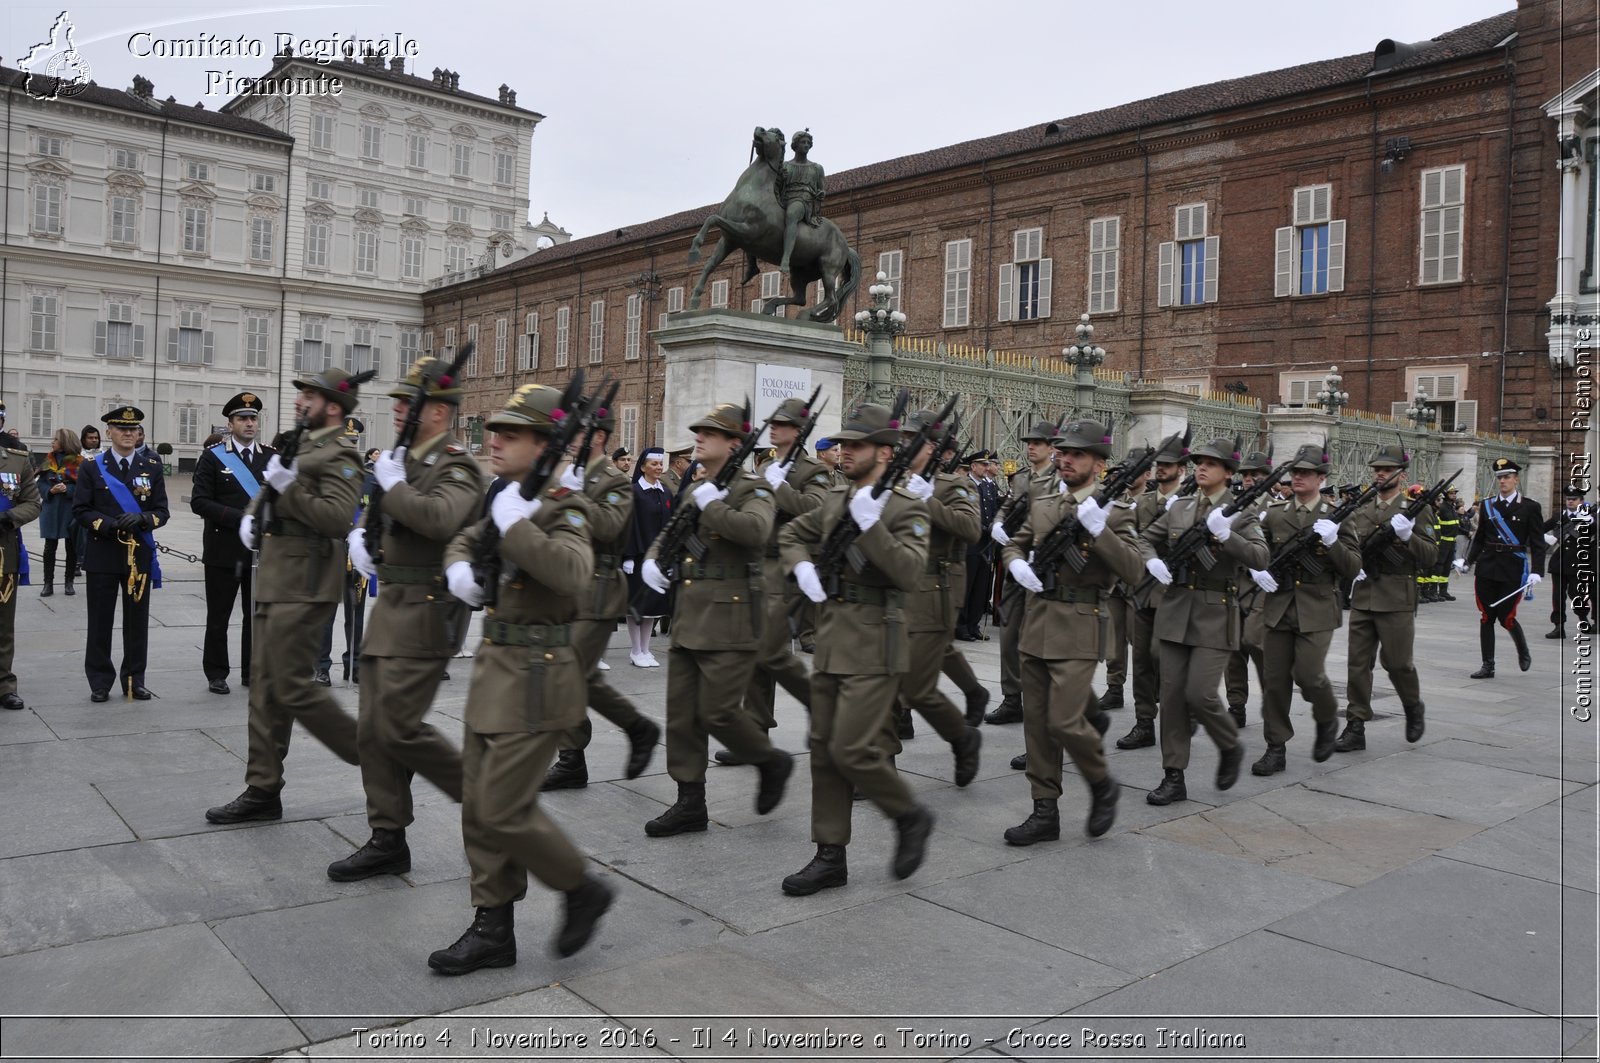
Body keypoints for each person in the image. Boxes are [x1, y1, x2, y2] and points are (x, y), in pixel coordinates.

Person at [428, 383, 615, 974]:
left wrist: (517, 528)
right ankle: (492, 927)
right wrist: (461, 566)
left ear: (544, 443)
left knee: (504, 807)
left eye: (510, 434)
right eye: (495, 432)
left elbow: (571, 573)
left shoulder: (566, 504)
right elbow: (465, 535)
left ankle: (581, 887)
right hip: (496, 669)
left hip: (538, 674)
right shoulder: (503, 493)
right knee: (478, 809)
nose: (495, 441)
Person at [330, 358, 482, 881]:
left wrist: (392, 487)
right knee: (373, 730)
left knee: (398, 728)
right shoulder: (404, 459)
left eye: (407, 402)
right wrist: (367, 541)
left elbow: (441, 519)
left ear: (438, 412)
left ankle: (488, 799)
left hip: (428, 610)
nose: (397, 409)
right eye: (396, 401)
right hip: (392, 606)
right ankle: (387, 836)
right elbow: (396, 519)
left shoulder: (457, 466)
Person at [779, 402, 935, 895]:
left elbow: (909, 574)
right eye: (842, 443)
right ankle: (830, 855)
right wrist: (800, 566)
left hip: (875, 639)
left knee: (851, 749)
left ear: (885, 453)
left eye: (856, 444)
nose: (844, 451)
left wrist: (873, 527)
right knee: (824, 750)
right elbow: (791, 532)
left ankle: (908, 815)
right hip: (832, 637)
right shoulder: (834, 497)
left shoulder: (907, 508)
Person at [204, 371, 366, 825]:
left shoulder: (342, 454)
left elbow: (336, 518)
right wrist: (253, 517)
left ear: (333, 406)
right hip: (276, 577)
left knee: (291, 687)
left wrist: (287, 486)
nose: (301, 401)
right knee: (266, 692)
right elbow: (271, 493)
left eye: (310, 395)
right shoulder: (303, 445)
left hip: (307, 583)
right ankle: (262, 788)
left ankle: (377, 750)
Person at [639, 403, 794, 837]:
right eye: (699, 432)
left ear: (734, 444)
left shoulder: (753, 488)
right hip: (691, 612)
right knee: (683, 715)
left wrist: (715, 506)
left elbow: (756, 533)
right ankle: (690, 802)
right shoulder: (697, 487)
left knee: (720, 712)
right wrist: (655, 560)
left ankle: (770, 761)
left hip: (730, 614)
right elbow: (672, 535)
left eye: (709, 433)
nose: (699, 438)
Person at [999, 420, 1139, 842]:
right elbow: (1014, 543)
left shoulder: (1116, 511)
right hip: (1037, 620)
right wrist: (1016, 564)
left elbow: (1132, 569)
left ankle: (1101, 783)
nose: (1065, 458)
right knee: (1037, 725)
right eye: (1063, 452)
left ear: (1098, 463)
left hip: (1080, 625)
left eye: (1076, 453)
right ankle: (1045, 812)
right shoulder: (1043, 501)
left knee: (1063, 721)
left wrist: (1099, 531)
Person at [1138, 437, 1267, 805]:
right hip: (1176, 609)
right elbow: (1145, 539)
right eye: (1199, 461)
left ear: (1229, 472)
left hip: (1215, 612)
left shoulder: (1242, 512)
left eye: (1211, 463)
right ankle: (1173, 776)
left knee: (1201, 693)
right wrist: (1152, 560)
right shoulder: (1179, 507)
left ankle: (1229, 744)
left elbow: (1260, 556)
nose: (1202, 467)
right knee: (1173, 697)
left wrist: (1227, 536)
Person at [540, 405, 661, 790]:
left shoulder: (613, 479)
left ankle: (584, 752)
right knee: (571, 673)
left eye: (578, 431)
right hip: (567, 584)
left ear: (596, 437)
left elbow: (610, 526)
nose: (570, 436)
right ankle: (583, 754)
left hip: (598, 587)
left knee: (568, 672)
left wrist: (574, 497)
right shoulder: (570, 475)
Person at [1244, 444, 1360, 774]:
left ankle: (1326, 714)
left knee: (1309, 675)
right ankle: (1275, 746)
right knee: (1275, 680)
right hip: (1278, 606)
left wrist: (1334, 542)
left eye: (1305, 472)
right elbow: (1258, 551)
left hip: (1317, 608)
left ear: (1321, 478)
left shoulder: (1337, 515)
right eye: (1295, 472)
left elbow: (1353, 567)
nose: (1297, 477)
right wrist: (1257, 569)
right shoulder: (1277, 514)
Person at [727, 396, 830, 763]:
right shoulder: (767, 464)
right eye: (774, 422)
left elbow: (817, 510)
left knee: (768, 652)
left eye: (783, 424)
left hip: (786, 568)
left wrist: (780, 489)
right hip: (758, 566)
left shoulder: (812, 471)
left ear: (799, 431)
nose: (774, 427)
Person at [886, 409, 983, 783]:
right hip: (891, 587)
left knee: (909, 684)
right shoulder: (890, 480)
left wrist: (929, 501)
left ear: (935, 447)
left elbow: (971, 529)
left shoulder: (951, 485)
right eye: (904, 439)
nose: (904, 445)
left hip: (929, 592)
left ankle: (960, 737)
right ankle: (886, 762)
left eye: (913, 440)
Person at [1333, 445, 1434, 750]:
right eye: (1377, 469)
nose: (1380, 473)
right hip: (1364, 594)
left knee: (1398, 664)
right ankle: (1355, 724)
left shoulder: (1416, 508)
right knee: (1357, 664)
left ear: (1401, 475)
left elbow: (1430, 556)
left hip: (1396, 596)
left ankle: (1413, 706)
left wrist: (1408, 537)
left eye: (1387, 470)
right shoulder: (1361, 508)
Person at [74, 405, 168, 702]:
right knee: (100, 621)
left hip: (137, 554)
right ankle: (100, 681)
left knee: (136, 622)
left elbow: (162, 511)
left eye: (133, 429)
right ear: (108, 432)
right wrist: (108, 524)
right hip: (103, 553)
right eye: (121, 429)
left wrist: (142, 519)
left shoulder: (151, 467)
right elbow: (81, 510)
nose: (128, 434)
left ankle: (134, 679)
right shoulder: (92, 466)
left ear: (139, 433)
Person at [190, 392, 273, 695]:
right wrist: (240, 517)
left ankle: (253, 671)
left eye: (253, 418)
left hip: (262, 551)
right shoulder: (213, 456)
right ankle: (216, 671)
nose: (249, 423)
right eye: (243, 418)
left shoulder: (271, 457)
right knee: (219, 616)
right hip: (223, 549)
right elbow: (199, 502)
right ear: (231, 423)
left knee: (257, 615)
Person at [986, 419, 1061, 725]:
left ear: (1052, 448)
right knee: (1009, 630)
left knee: (1045, 638)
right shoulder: (1020, 478)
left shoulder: (1060, 479)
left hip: (1046, 563)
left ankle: (1045, 700)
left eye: (1038, 443)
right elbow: (1009, 506)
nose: (1031, 447)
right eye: (1029, 442)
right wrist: (998, 522)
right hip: (1017, 561)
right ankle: (1011, 697)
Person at [1117, 435, 1189, 751]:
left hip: (1175, 593)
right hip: (1143, 591)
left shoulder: (1191, 503)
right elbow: (1131, 539)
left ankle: (1178, 715)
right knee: (1143, 658)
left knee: (1164, 656)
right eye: (1158, 464)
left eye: (1168, 465)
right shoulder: (1142, 503)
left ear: (1181, 469)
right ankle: (1144, 722)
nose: (1161, 470)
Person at [1458, 457, 1546, 678]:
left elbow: (1537, 543)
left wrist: (1537, 571)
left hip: (1512, 568)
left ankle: (1522, 648)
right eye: (1500, 477)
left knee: (1506, 616)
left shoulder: (1530, 507)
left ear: (1516, 479)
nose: (1503, 481)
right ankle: (1488, 665)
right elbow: (1479, 539)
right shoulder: (1488, 505)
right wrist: (1467, 561)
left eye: (1507, 477)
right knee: (1486, 616)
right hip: (1487, 567)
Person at [315, 417, 375, 685]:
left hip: (358, 554)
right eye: (345, 441)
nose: (350, 446)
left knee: (357, 616)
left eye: (354, 442)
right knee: (326, 615)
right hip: (331, 551)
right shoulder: (324, 476)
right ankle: (322, 666)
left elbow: (375, 514)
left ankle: (356, 662)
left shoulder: (369, 479)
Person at [1097, 445, 1151, 709]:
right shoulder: (1118, 500)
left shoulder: (1152, 502)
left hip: (1140, 582)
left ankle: (1148, 694)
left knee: (1141, 645)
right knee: (1113, 639)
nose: (1130, 475)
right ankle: (1114, 687)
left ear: (1147, 474)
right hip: (1116, 581)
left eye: (1136, 470)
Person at [1224, 450, 1272, 728]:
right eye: (1246, 474)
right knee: (1233, 649)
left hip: (1263, 588)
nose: (1250, 479)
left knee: (1258, 645)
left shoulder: (1278, 507)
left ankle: (1272, 700)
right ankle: (1236, 704)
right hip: (1235, 585)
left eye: (1256, 474)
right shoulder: (1233, 505)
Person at [0, 411, 41, 710]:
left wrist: (9, 517)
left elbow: (32, 502)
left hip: (3, 549)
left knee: (3, 623)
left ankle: (5, 685)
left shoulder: (16, 458)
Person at [624, 448, 672, 665]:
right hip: (639, 556)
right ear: (643, 467)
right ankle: (635, 650)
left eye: (660, 464)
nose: (659, 468)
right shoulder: (634, 491)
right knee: (637, 605)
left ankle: (645, 649)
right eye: (654, 464)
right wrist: (628, 556)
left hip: (658, 558)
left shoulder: (665, 491)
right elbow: (629, 526)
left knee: (652, 606)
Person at [956, 449, 1001, 642]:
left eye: (986, 464)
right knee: (968, 585)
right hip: (971, 543)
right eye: (982, 465)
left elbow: (992, 510)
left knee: (981, 586)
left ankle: (973, 624)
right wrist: (983, 526)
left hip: (986, 544)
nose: (986, 467)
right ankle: (961, 625)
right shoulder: (966, 485)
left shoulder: (988, 487)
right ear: (973, 467)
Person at [38, 427, 82, 598]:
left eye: (55, 439)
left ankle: (69, 582)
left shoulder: (80, 462)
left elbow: (84, 486)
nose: (52, 442)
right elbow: (39, 483)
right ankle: (47, 583)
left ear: (64, 442)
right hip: (50, 507)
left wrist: (68, 488)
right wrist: (50, 491)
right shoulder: (48, 460)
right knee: (50, 547)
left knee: (71, 548)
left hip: (70, 509)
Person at [1545, 484, 1593, 638]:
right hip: (1559, 562)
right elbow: (1538, 529)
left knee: (1577, 594)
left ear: (1581, 500)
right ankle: (1559, 626)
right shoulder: (1559, 516)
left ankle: (1583, 619)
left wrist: (1591, 522)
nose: (1570, 501)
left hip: (1579, 561)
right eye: (1568, 499)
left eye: (1574, 499)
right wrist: (1546, 538)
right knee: (1557, 596)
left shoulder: (1589, 516)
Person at [777, 129, 825, 276]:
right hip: (784, 198)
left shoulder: (816, 168)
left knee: (792, 214)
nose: (806, 145)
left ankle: (785, 259)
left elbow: (821, 189)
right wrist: (780, 178)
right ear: (795, 145)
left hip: (804, 200)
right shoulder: (785, 165)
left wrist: (821, 193)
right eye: (803, 142)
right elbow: (777, 186)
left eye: (808, 143)